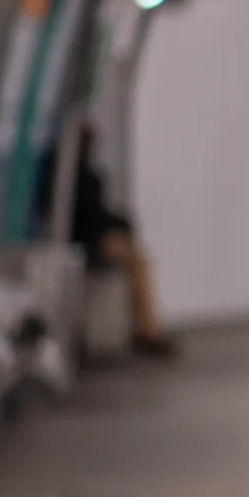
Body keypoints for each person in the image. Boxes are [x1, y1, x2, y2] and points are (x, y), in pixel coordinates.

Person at [58, 124, 177, 360]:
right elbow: (92, 216)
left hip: (85, 237)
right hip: (88, 241)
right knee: (138, 261)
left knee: (137, 258)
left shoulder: (69, 173)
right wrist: (122, 223)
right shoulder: (81, 177)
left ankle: (146, 327)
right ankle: (147, 329)